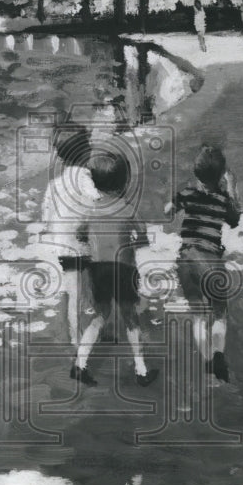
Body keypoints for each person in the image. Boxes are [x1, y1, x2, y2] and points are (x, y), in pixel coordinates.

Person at [73, 151, 158, 387]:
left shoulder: (91, 209)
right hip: (123, 269)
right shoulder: (128, 209)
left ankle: (80, 364)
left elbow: (80, 234)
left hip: (97, 269)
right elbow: (142, 239)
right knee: (131, 318)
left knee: (100, 316)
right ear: (124, 182)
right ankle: (141, 370)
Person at [166, 145, 242, 382]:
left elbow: (168, 210)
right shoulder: (222, 200)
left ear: (196, 173)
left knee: (199, 315)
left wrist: (176, 200)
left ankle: (208, 360)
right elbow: (235, 219)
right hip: (211, 261)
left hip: (187, 260)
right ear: (221, 175)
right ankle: (219, 353)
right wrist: (231, 186)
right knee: (219, 313)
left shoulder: (188, 194)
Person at [39, 124, 99, 349]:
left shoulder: (53, 185)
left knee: (73, 294)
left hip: (63, 246)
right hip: (84, 244)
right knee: (94, 284)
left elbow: (46, 217)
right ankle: (97, 321)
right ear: (85, 152)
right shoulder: (85, 177)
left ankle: (75, 339)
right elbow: (96, 205)